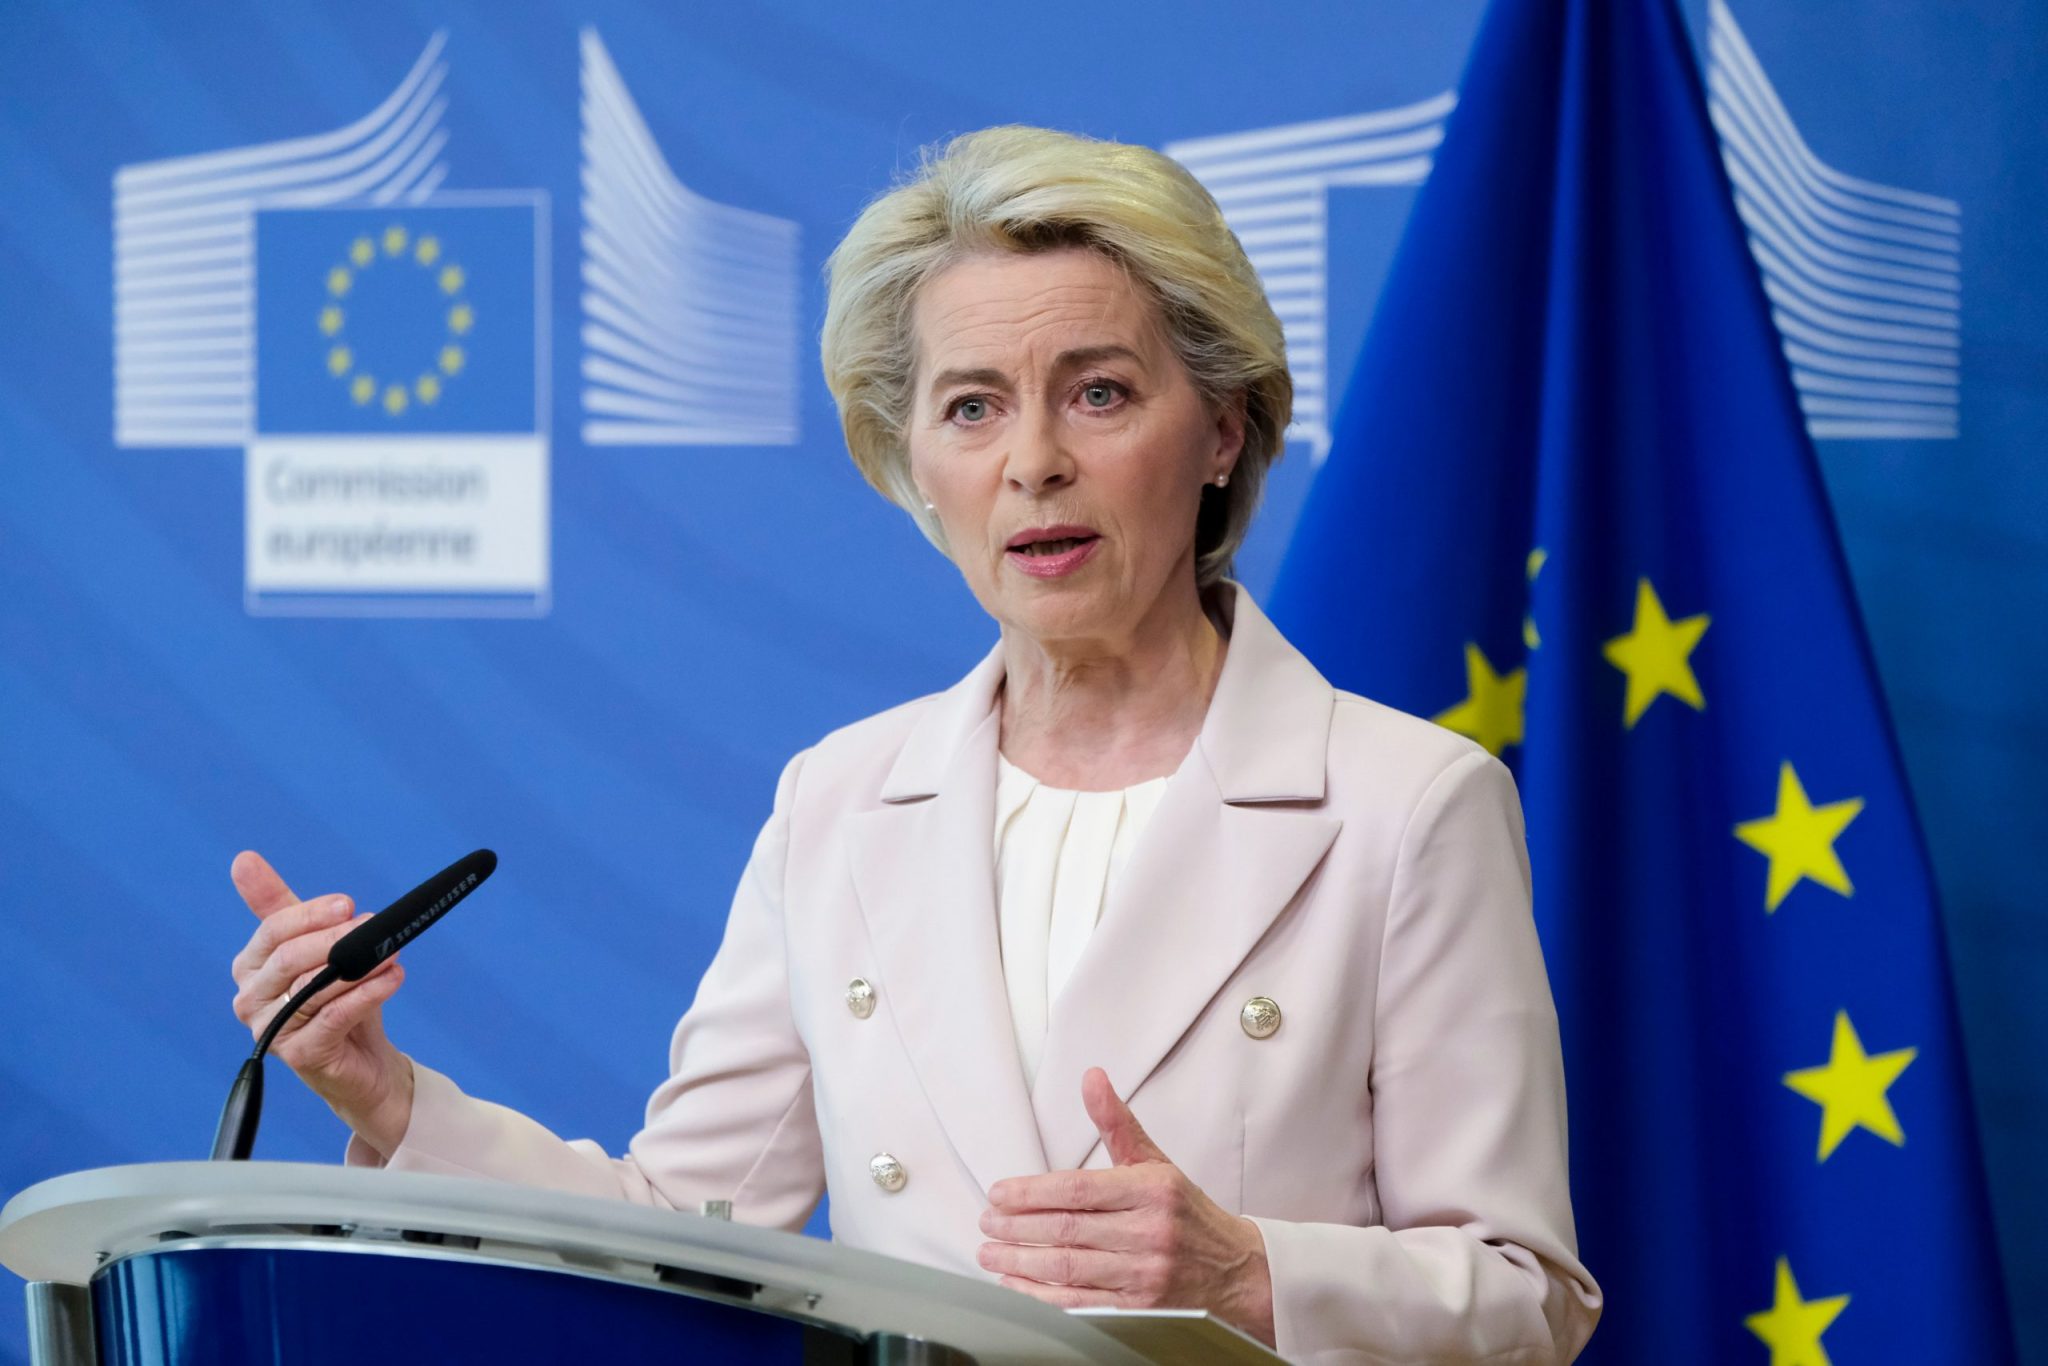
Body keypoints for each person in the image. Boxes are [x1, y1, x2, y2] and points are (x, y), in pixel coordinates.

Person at [229, 125, 1602, 1363]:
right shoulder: (840, 802)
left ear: (1224, 428)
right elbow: (685, 1226)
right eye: (972, 406)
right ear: (917, 471)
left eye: (1102, 392)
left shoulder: (1405, 802)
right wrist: (394, 1097)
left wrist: (1249, 1271)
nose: (1034, 462)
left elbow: (1524, 1297)